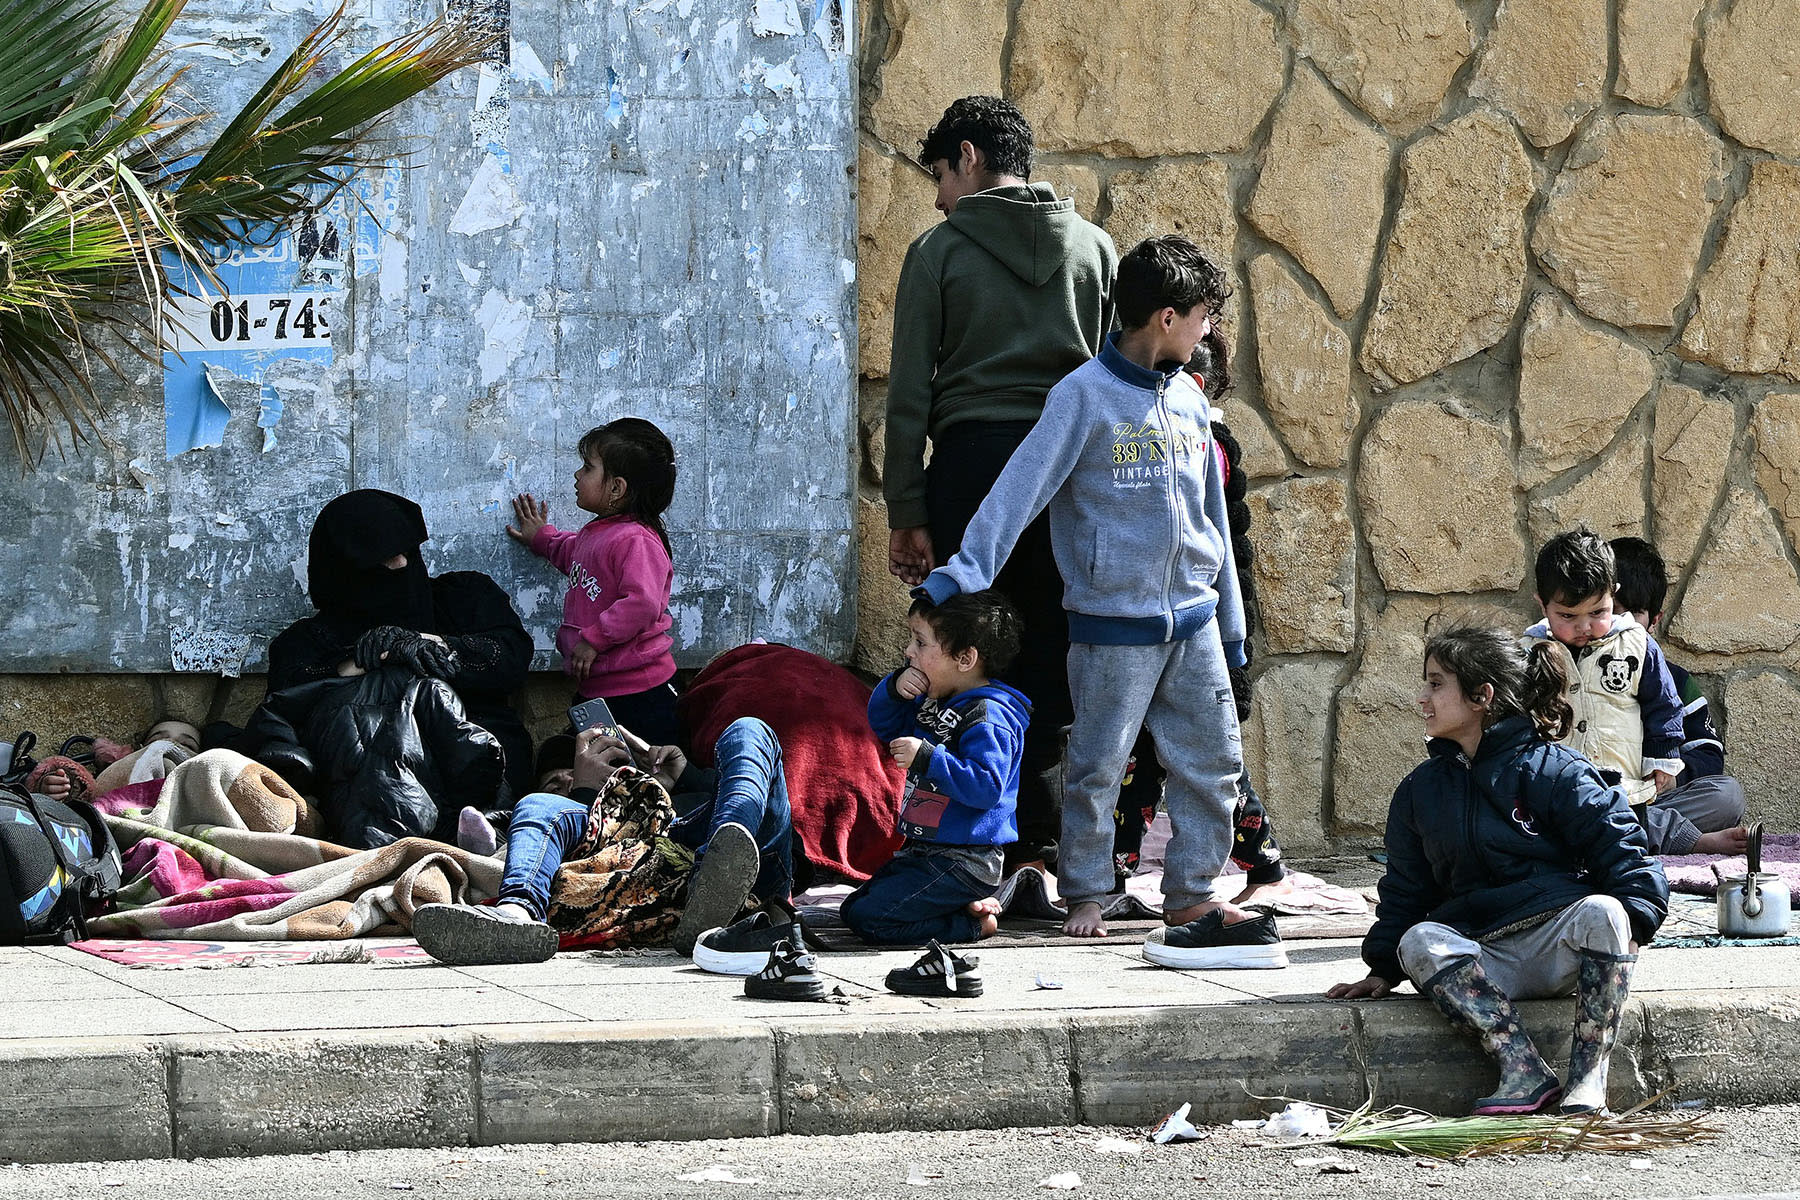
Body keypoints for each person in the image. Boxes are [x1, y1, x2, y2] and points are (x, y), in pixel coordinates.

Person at [914, 235, 1285, 972]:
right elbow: (1019, 493)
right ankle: (1086, 890)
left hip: (1195, 623)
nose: (1208, 331)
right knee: (1097, 764)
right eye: (1203, 317)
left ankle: (1192, 895)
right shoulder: (1080, 398)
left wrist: (1232, 628)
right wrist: (961, 573)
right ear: (1167, 316)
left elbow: (1212, 522)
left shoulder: (1188, 400)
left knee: (1213, 764)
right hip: (1112, 628)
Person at [883, 95, 1118, 871]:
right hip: (1071, 470)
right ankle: (1047, 849)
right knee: (1056, 645)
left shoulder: (938, 253)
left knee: (967, 649)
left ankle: (975, 842)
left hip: (973, 470)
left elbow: (911, 391)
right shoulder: (1098, 251)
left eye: (941, 174)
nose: (938, 195)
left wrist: (907, 507)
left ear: (971, 156)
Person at [1328, 626, 1669, 1117]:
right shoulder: (1419, 791)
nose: (1422, 698)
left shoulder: (1558, 772)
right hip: (1482, 957)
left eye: (1435, 683)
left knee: (1605, 912)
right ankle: (1522, 1070)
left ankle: (1587, 1080)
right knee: (1418, 940)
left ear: (1482, 696)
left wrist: (1634, 925)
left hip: (1559, 949)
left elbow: (1625, 853)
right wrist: (1382, 968)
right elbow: (1405, 889)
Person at [412, 718, 796, 965]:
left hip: (705, 847)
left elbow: (751, 799)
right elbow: (525, 831)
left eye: (566, 774)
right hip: (628, 859)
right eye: (554, 780)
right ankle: (515, 916)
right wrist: (584, 793)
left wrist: (684, 778)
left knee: (749, 730)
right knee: (539, 804)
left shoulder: (685, 794)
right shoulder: (564, 812)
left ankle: (714, 877)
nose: (562, 781)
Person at [261, 488, 534, 794]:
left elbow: (510, 657)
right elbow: (288, 697)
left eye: (409, 550)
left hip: (482, 759)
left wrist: (424, 643)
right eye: (386, 559)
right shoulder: (307, 641)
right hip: (369, 779)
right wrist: (371, 658)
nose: (404, 564)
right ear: (345, 571)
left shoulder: (463, 597)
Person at [839, 590, 1029, 946]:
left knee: (871, 919)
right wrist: (895, 690)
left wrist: (928, 758)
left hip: (964, 860)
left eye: (920, 642)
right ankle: (967, 909)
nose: (909, 651)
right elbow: (885, 724)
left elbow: (986, 786)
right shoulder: (936, 700)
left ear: (965, 658)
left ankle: (972, 926)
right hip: (925, 852)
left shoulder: (988, 717)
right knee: (853, 907)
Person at [508, 417, 681, 747]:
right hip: (598, 689)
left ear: (617, 488)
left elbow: (641, 603)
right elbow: (571, 553)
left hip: (639, 695)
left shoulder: (636, 541)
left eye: (587, 468)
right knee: (598, 769)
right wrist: (540, 538)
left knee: (642, 777)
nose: (577, 476)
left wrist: (594, 640)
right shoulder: (598, 534)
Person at [1522, 528, 1692, 828]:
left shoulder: (1637, 645)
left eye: (1597, 612)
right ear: (1542, 605)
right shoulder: (1528, 653)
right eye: (1567, 616)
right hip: (1550, 793)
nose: (1584, 626)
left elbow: (1663, 704)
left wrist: (1662, 759)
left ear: (1613, 594)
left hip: (1623, 791)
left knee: (1622, 853)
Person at [1607, 536, 1749, 856]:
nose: (1622, 626)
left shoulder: (1676, 681)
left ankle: (1640, 831)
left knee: (1727, 796)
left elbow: (1709, 754)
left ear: (1654, 621)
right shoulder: (1579, 672)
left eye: (1635, 614)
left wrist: (1673, 775)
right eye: (1612, 612)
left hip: (1658, 799)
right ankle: (1683, 839)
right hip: (1598, 796)